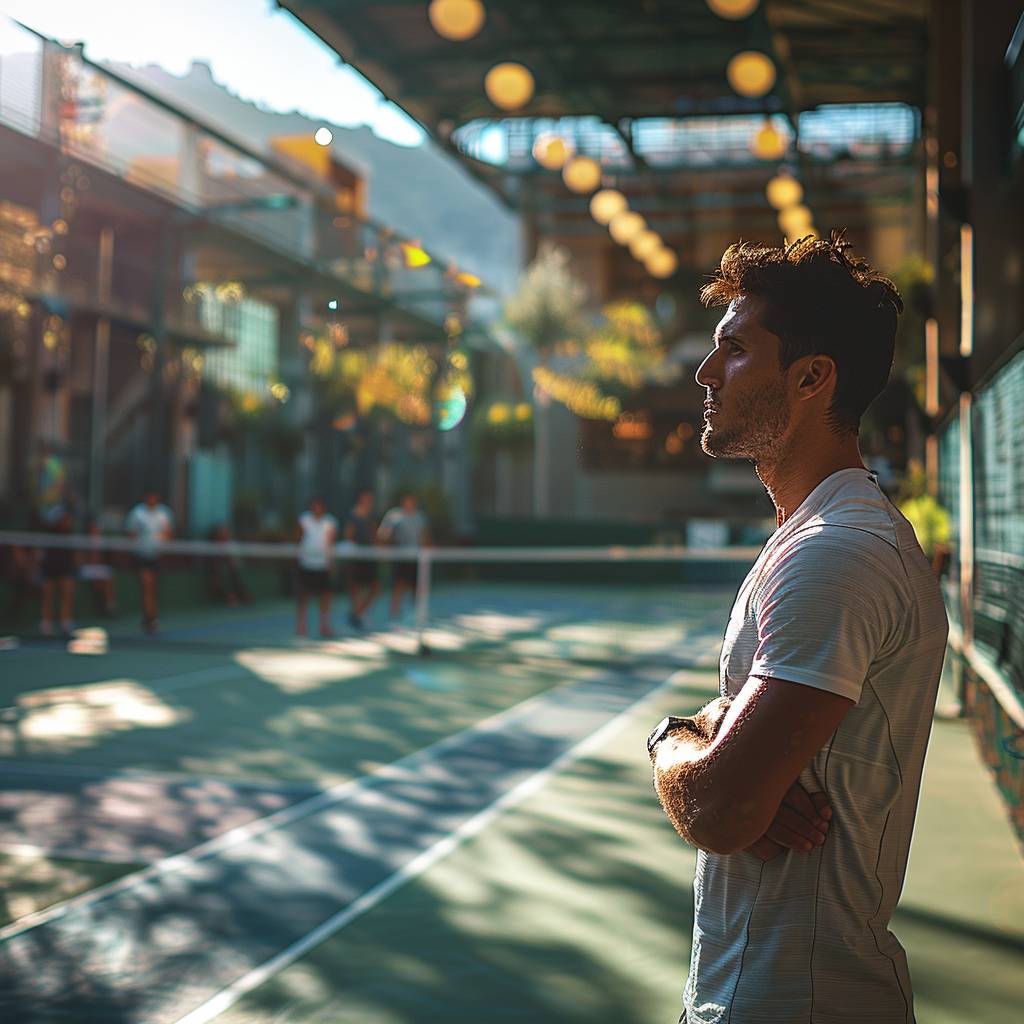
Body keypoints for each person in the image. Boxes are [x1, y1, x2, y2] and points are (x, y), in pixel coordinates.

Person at [647, 234, 948, 1024]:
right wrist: (733, 751)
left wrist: (673, 741)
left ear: (813, 378)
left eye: (735, 351)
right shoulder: (818, 538)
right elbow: (741, 789)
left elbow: (720, 811)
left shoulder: (835, 555)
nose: (707, 374)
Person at [125, 489, 173, 633]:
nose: (152, 499)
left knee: (153, 588)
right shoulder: (137, 513)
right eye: (149, 497)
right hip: (142, 555)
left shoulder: (164, 513)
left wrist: (162, 546)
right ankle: (149, 617)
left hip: (158, 556)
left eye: (154, 497)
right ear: (146, 498)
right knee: (146, 585)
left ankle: (152, 616)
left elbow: (169, 532)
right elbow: (131, 533)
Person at [378, 491, 428, 621]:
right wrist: (387, 545)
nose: (410, 504)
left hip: (415, 558)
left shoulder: (419, 517)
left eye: (412, 502)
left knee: (417, 586)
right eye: (407, 501)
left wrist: (425, 550)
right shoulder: (394, 516)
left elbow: (423, 537)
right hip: (400, 557)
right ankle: (394, 614)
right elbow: (383, 534)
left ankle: (418, 614)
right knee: (398, 585)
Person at [295, 496, 337, 638]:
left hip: (322, 565)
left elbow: (330, 541)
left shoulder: (330, 521)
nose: (317, 508)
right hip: (306, 563)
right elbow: (299, 538)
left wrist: (330, 561)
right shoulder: (304, 519)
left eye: (320, 506)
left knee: (325, 596)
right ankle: (301, 625)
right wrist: (298, 557)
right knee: (303, 596)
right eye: (314, 506)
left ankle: (324, 625)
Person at [39, 502, 77, 635]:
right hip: (50, 564)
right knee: (47, 594)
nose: (66, 522)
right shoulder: (49, 532)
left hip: (65, 564)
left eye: (67, 519)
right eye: (63, 519)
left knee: (67, 593)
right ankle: (45, 623)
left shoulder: (69, 533)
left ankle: (65, 621)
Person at [344, 489, 379, 630]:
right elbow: (349, 534)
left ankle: (357, 613)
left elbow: (375, 535)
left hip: (369, 556)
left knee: (375, 588)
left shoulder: (371, 516)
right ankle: (358, 615)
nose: (369, 501)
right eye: (366, 498)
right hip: (357, 557)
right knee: (355, 587)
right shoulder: (353, 515)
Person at [205, 524, 250, 606]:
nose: (224, 534)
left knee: (234, 574)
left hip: (232, 570)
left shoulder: (232, 545)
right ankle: (229, 597)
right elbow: (214, 562)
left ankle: (242, 596)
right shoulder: (213, 546)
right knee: (219, 575)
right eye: (221, 533)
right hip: (218, 571)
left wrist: (230, 563)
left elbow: (235, 562)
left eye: (226, 532)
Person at [80, 522, 118, 618]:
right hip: (87, 569)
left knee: (107, 578)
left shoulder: (103, 543)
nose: (96, 531)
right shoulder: (85, 542)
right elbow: (82, 559)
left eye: (97, 530)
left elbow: (107, 559)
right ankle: (98, 606)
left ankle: (110, 607)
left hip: (100, 569)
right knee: (97, 580)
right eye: (93, 530)